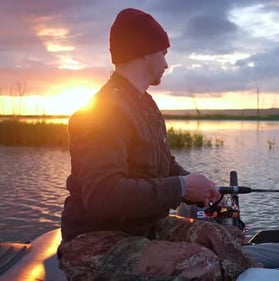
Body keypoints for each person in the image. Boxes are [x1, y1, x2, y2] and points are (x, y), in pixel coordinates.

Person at [57, 8, 258, 280]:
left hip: (145, 228)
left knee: (226, 238)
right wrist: (182, 187)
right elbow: (103, 194)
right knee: (201, 264)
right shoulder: (101, 112)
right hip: (95, 240)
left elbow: (165, 165)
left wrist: (198, 186)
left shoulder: (146, 105)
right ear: (143, 52)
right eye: (163, 53)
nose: (166, 63)